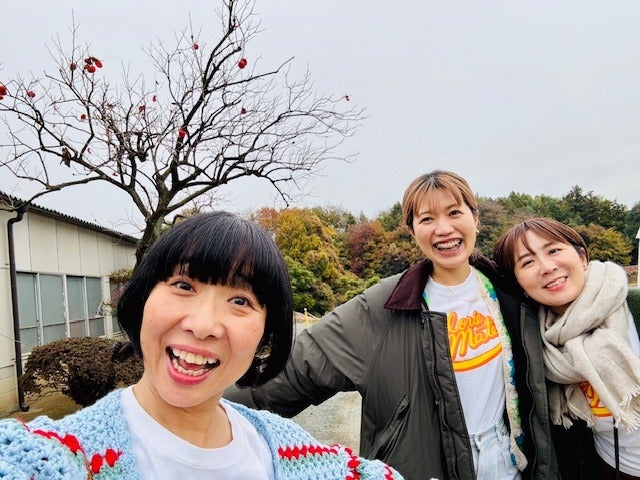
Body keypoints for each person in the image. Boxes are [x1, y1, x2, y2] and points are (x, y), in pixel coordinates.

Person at [0, 211, 404, 480]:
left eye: (240, 301)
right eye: (183, 285)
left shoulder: (289, 451)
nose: (203, 325)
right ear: (142, 298)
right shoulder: (55, 457)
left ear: (266, 335)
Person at [226, 170, 561, 480]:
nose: (444, 229)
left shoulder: (510, 290)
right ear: (412, 231)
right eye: (427, 219)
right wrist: (208, 408)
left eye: (454, 213)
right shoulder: (382, 307)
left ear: (475, 218)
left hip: (508, 458)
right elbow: (297, 368)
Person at [493, 217, 640, 480]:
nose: (547, 267)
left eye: (553, 250)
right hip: (611, 467)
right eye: (527, 262)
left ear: (582, 257)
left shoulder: (632, 307)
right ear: (518, 284)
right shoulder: (533, 342)